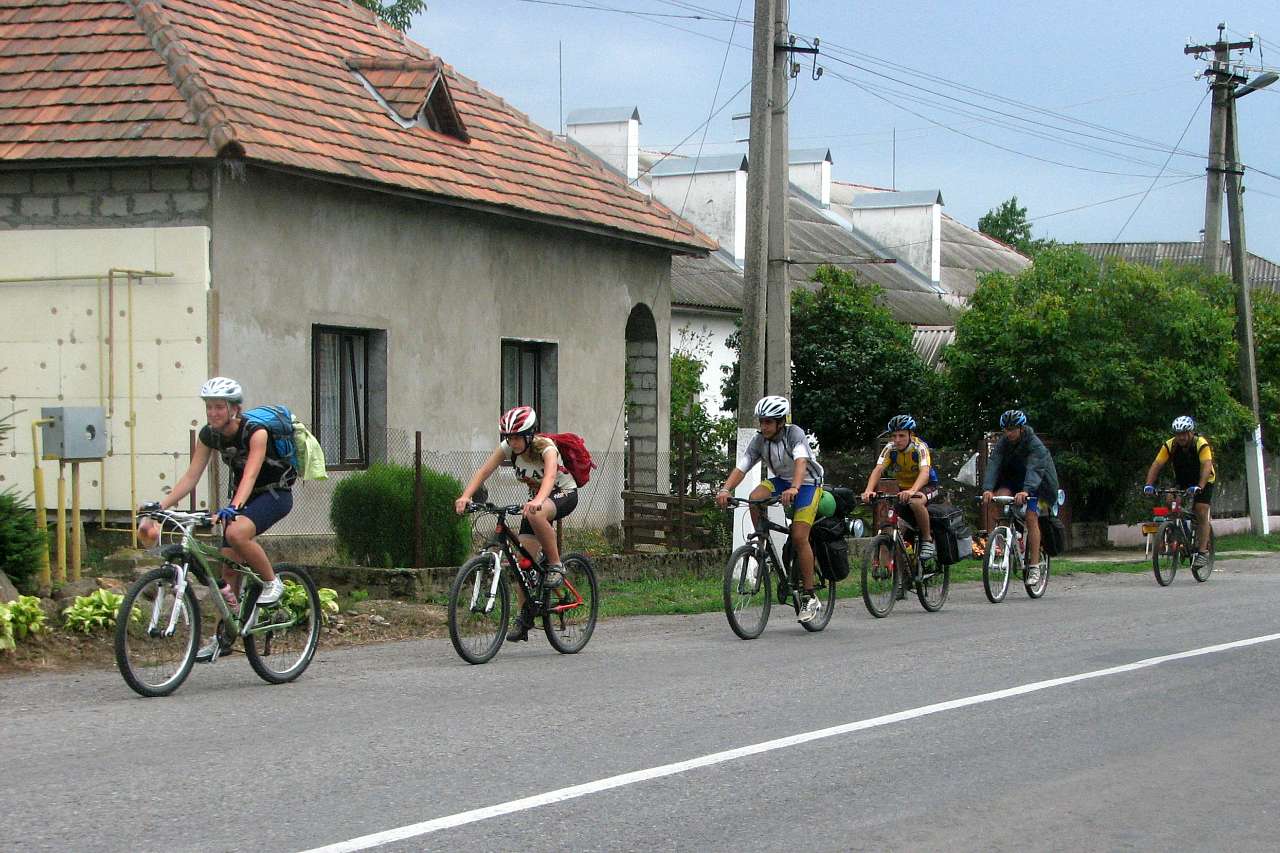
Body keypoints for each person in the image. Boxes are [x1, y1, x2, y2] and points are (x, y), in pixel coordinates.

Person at [149, 377, 297, 661]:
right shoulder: (210, 435)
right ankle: (225, 637)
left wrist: (234, 506)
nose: (213, 413)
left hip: (274, 493)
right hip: (242, 498)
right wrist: (161, 505)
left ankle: (271, 583)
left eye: (219, 407)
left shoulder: (256, 432)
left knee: (236, 534)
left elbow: (251, 473)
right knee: (228, 569)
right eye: (209, 408)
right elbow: (192, 476)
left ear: (234, 409)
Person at [455, 406, 578, 642]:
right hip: (537, 501)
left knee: (535, 514)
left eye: (517, 437)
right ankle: (525, 617)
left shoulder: (546, 448)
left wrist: (539, 501)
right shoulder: (508, 449)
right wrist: (465, 496)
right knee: (523, 566)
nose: (512, 442)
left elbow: (551, 477)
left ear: (530, 434)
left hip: (563, 494)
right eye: (508, 437)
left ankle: (555, 566)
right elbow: (484, 471)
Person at [715, 396, 826, 623]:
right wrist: (725, 490)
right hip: (782, 482)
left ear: (780, 422)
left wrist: (795, 487)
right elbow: (742, 467)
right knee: (755, 498)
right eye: (761, 422)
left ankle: (809, 595)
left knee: (798, 536)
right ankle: (762, 548)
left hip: (806, 484)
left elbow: (801, 463)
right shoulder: (759, 440)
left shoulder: (794, 434)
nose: (763, 426)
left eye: (768, 422)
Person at [981, 409, 1060, 587]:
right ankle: (1008, 537)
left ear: (1021, 428)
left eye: (1012, 429)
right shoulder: (1004, 443)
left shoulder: (1035, 444)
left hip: (1039, 486)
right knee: (998, 499)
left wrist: (1027, 490)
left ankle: (1034, 566)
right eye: (1005, 430)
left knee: (1031, 517)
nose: (1008, 433)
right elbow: (994, 462)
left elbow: (1035, 468)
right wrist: (988, 488)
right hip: (1016, 483)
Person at [861, 414, 939, 562]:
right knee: (891, 526)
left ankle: (927, 540)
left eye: (902, 435)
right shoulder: (890, 448)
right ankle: (895, 570)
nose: (897, 440)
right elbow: (878, 469)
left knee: (915, 502)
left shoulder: (919, 447)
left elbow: (925, 472)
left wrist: (912, 491)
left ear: (911, 434)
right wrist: (868, 490)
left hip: (927, 485)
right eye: (894, 436)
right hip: (904, 489)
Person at [1143, 415, 1215, 569]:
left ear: (1191, 432)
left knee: (1200, 510)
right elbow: (1156, 464)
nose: (1181, 437)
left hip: (1204, 479)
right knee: (1170, 501)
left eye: (1184, 433)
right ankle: (1179, 532)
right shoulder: (1170, 445)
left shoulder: (1201, 443)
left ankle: (1202, 552)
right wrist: (1148, 485)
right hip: (1182, 480)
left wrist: (1200, 486)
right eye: (1178, 434)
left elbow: (1207, 465)